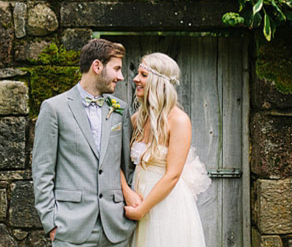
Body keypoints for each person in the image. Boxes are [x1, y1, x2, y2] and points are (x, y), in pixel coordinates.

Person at [32, 39, 138, 246]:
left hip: (115, 230)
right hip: (70, 228)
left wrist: (127, 216)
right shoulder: (54, 108)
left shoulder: (120, 110)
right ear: (97, 66)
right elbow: (42, 170)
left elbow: (128, 166)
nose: (121, 76)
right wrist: (51, 222)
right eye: (116, 68)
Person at [122, 53, 211, 247]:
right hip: (137, 197)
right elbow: (116, 160)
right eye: (138, 73)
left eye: (143, 75)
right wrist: (127, 192)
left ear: (159, 81)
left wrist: (142, 209)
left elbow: (172, 175)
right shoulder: (137, 120)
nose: (136, 79)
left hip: (166, 205)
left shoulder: (178, 121)